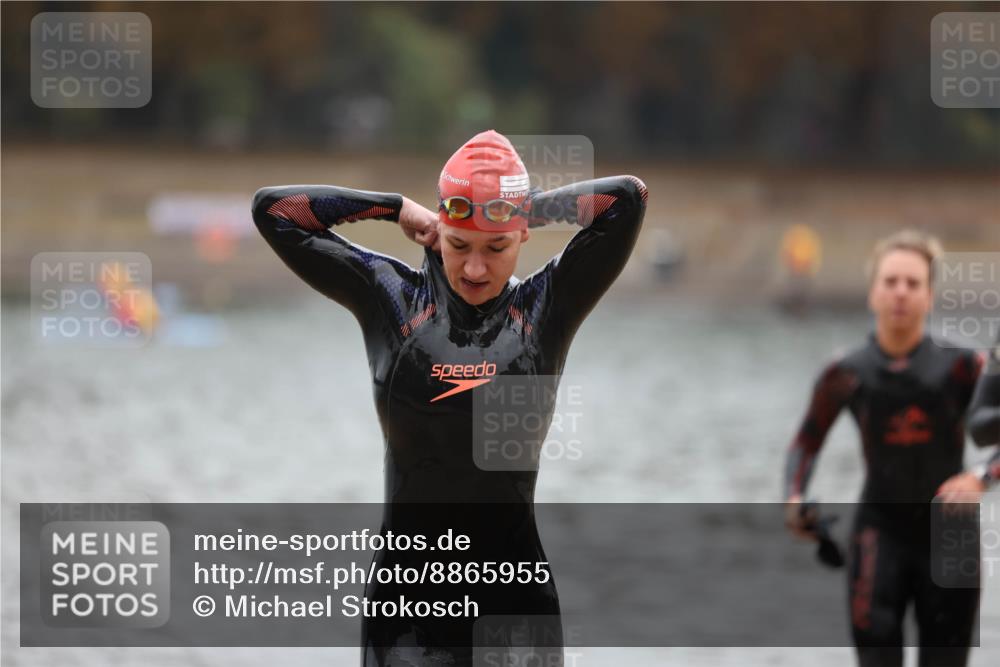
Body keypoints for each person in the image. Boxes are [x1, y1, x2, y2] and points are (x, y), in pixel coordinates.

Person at [252, 130, 647, 666]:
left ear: (522, 236)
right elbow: (274, 211)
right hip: (407, 618)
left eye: (497, 247)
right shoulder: (390, 300)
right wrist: (392, 209)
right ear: (440, 231)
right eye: (460, 245)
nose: (476, 269)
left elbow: (627, 200)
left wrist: (523, 208)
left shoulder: (545, 310)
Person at [782, 230, 985, 667]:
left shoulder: (965, 366)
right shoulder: (845, 372)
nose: (900, 293)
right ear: (873, 292)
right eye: (890, 281)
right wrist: (795, 498)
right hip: (879, 534)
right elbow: (806, 442)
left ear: (930, 296)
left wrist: (980, 478)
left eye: (912, 284)